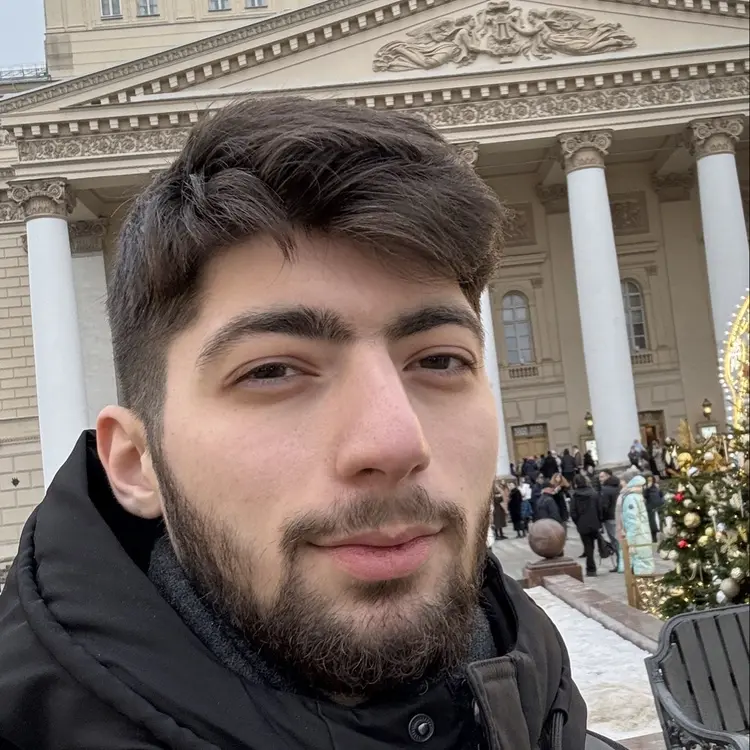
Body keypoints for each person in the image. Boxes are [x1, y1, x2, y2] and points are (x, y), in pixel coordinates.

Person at [0, 97, 587, 748]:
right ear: (137, 465)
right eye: (273, 371)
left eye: (439, 360)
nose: (395, 442)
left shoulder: (544, 708)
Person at [617, 475, 656, 575]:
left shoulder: (634, 497)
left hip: (640, 537)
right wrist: (631, 543)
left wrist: (631, 542)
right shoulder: (633, 498)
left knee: (642, 566)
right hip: (640, 537)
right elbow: (633, 522)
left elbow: (633, 521)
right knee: (642, 566)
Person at [569, 475, 601, 577]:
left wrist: (578, 522)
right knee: (592, 545)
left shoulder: (575, 496)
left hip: (582, 524)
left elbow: (573, 513)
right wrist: (599, 521)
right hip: (594, 522)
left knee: (588, 546)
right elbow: (599, 508)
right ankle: (591, 567)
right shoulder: (593, 493)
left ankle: (591, 569)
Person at [598, 469, 621, 573]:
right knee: (621, 540)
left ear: (608, 476)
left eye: (602, 477)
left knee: (615, 541)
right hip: (620, 516)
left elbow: (604, 506)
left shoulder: (605, 489)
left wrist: (601, 518)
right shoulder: (619, 487)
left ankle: (621, 563)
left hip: (610, 518)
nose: (600, 479)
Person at [643, 473, 665, 544]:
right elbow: (645, 496)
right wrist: (647, 488)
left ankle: (662, 537)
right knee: (652, 523)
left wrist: (662, 502)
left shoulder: (656, 486)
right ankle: (654, 537)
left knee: (661, 521)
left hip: (659, 506)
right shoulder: (645, 487)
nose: (650, 482)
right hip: (651, 508)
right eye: (649, 480)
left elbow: (661, 494)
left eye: (651, 480)